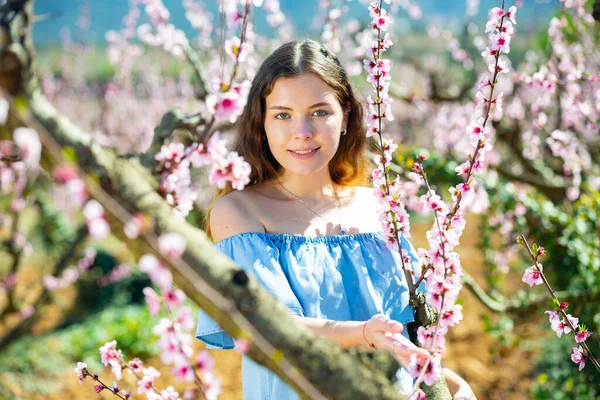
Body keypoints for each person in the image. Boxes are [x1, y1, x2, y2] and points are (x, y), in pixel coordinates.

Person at [196, 39, 476, 399]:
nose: (303, 131)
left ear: (345, 116)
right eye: (283, 114)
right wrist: (362, 334)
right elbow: (271, 325)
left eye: (319, 112)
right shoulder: (239, 212)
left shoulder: (380, 206)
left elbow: (404, 335)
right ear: (260, 123)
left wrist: (453, 385)